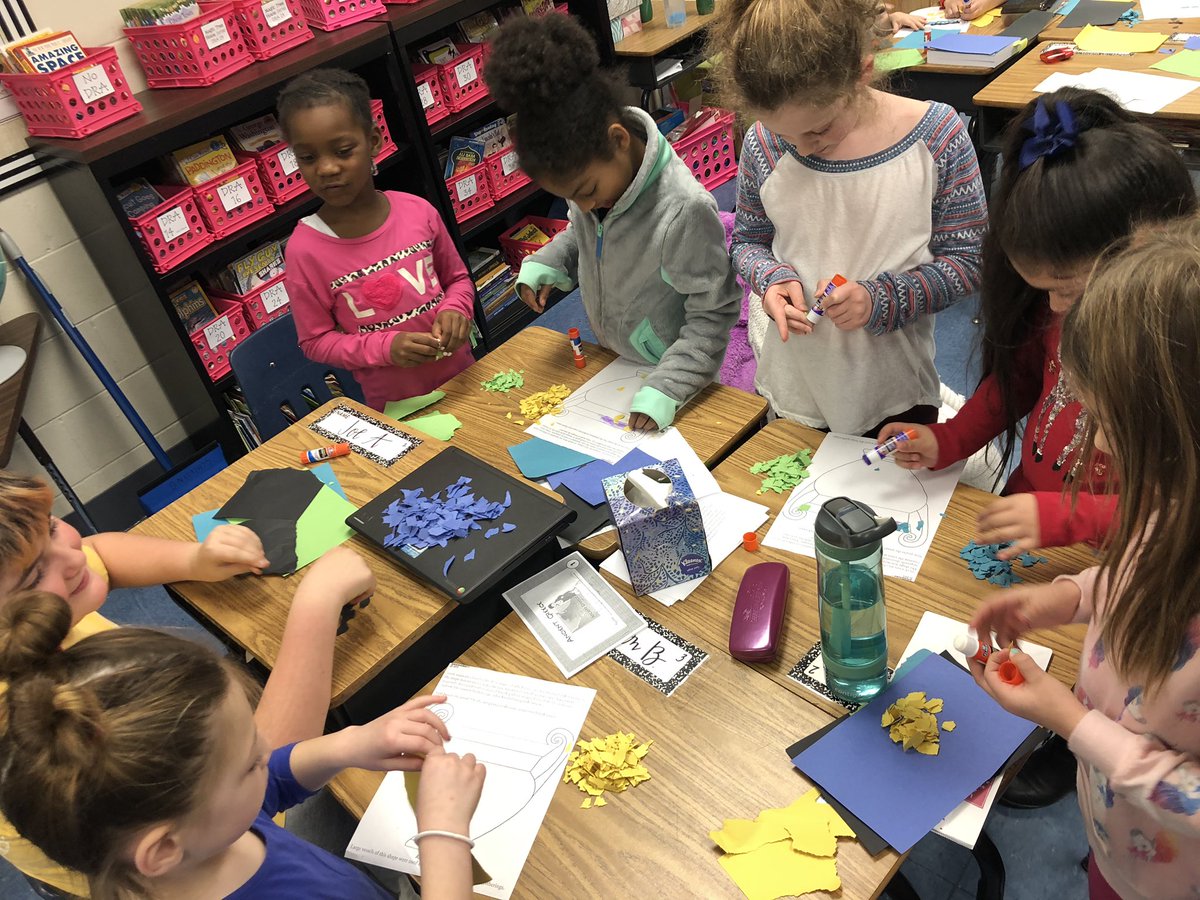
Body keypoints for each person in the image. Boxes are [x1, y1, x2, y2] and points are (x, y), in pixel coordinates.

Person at [0, 470, 375, 894]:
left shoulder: (38, 600)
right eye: (34, 576)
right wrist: (316, 605)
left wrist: (193, 560)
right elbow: (250, 760)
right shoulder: (38, 722)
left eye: (51, 526)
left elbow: (97, 551)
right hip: (165, 862)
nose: (72, 558)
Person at [968, 218, 1200, 900]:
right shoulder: (1173, 503)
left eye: (1111, 426)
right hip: (1119, 836)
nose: (1094, 446)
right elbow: (1144, 569)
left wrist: (1071, 722)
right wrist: (1072, 595)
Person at [0, 590, 484, 900]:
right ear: (163, 847)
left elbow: (268, 785)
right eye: (250, 760)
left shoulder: (198, 832)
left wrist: (348, 744)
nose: (268, 750)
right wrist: (444, 833)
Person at [880, 89, 1196, 559]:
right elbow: (1017, 382)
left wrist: (1072, 516)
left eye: (1067, 288)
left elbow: (1182, 514)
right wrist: (949, 439)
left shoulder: (1181, 347)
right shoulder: (1058, 306)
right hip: (1033, 515)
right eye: (1042, 288)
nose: (1054, 306)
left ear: (1151, 248)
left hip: (1122, 556)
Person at [713, 0, 986, 437]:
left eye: (818, 129)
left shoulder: (937, 137)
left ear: (862, 73)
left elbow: (969, 263)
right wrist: (771, 278)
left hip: (894, 392)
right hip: (796, 389)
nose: (801, 148)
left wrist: (881, 299)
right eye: (785, 134)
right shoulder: (764, 143)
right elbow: (748, 241)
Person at [485, 15, 740, 432]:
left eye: (587, 190)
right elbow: (584, 231)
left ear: (619, 139)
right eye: (571, 198)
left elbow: (714, 312)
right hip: (617, 361)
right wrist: (551, 259)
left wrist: (671, 385)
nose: (585, 205)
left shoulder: (684, 211)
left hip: (675, 375)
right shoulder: (595, 184)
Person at [280, 69, 476, 411]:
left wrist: (455, 309)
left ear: (373, 141)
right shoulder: (304, 250)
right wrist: (385, 348)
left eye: (343, 151)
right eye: (308, 158)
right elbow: (315, 341)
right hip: (396, 407)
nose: (326, 168)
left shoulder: (418, 211)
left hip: (465, 380)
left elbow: (458, 280)